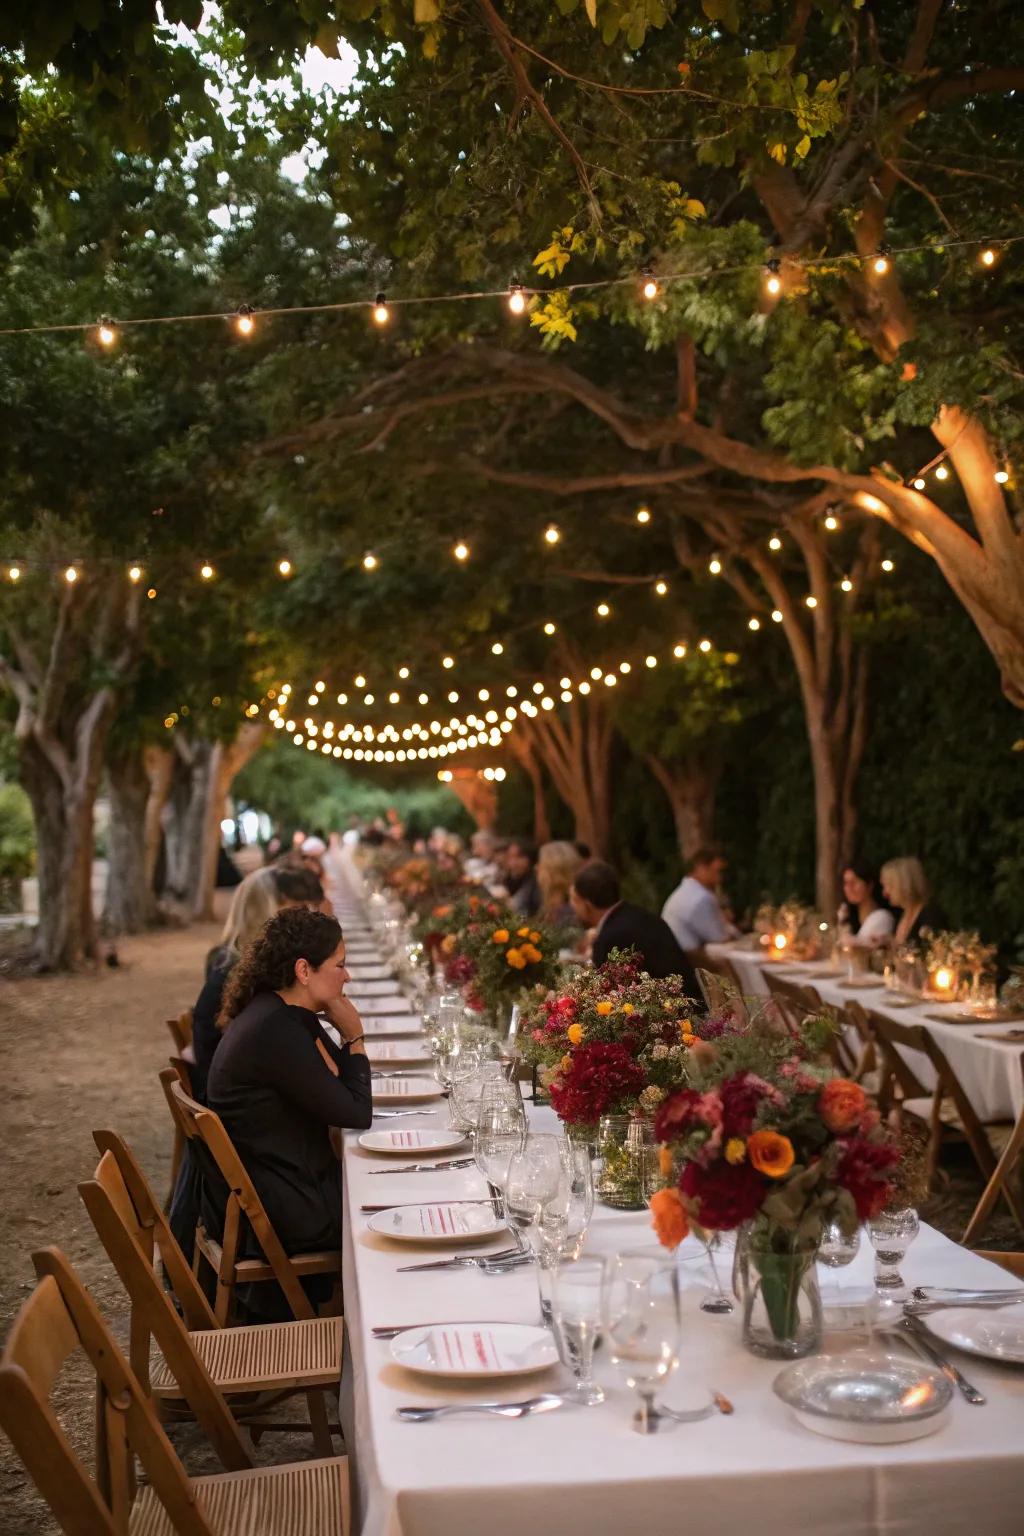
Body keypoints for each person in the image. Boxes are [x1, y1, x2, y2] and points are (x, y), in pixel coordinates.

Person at [203, 907, 372, 1319]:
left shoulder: (284, 1014)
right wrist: (354, 1034)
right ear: (303, 970)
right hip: (287, 1211)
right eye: (340, 965)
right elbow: (355, 1111)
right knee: (384, 1207)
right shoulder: (277, 1031)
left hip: (274, 1188)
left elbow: (340, 1091)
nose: (347, 976)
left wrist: (342, 1040)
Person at [191, 865, 328, 1102]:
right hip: (239, 1109)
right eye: (293, 910)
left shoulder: (231, 960)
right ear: (268, 912)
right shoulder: (245, 977)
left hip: (228, 1094)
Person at [570, 860, 698, 994]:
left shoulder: (610, 938)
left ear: (587, 904)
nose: (572, 906)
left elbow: (607, 995)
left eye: (574, 899)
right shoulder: (642, 916)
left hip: (676, 1009)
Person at [661, 846, 738, 966]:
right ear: (701, 867)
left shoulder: (686, 891)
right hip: (692, 964)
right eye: (717, 871)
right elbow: (720, 938)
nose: (720, 878)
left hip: (680, 959)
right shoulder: (700, 898)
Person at [881, 857, 947, 946]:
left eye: (889, 885)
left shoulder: (930, 915)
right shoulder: (903, 915)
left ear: (904, 885)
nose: (885, 892)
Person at [838, 858, 895, 948]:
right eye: (846, 883)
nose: (849, 888)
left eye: (854, 882)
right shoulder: (848, 915)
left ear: (870, 885)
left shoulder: (882, 918)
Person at [537, 840, 585, 927]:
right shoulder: (549, 907)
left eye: (541, 864)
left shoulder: (569, 914)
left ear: (553, 871)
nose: (536, 868)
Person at [506, 838, 541, 917]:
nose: (513, 863)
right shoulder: (514, 877)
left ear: (531, 858)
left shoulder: (536, 882)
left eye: (519, 857)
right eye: (510, 857)